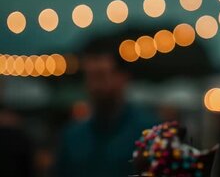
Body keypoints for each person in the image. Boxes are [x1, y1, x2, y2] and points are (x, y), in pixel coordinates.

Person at [54, 32, 158, 177]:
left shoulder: (147, 133)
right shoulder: (72, 137)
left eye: (101, 76)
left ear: (123, 77)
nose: (95, 86)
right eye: (90, 77)